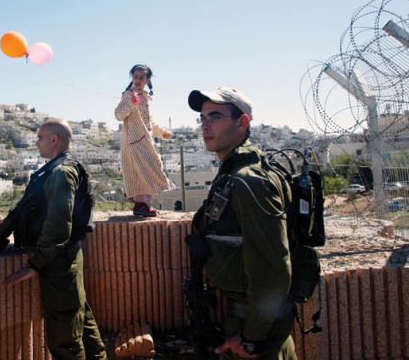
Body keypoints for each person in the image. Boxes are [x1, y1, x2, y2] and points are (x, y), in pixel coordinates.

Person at [187, 87, 296, 360]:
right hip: (249, 319)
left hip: (255, 326)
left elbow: (273, 270)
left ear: (242, 122)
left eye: (215, 116)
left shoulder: (249, 181)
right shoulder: (234, 172)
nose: (205, 125)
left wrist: (250, 340)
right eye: (202, 118)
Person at [2, 119, 107, 360]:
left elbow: (59, 225)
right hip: (65, 258)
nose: (36, 143)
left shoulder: (61, 172)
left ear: (53, 140)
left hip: (59, 263)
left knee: (65, 342)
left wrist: (35, 264)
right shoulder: (59, 168)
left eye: (40, 138)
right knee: (81, 320)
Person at [114, 64, 174, 217]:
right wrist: (130, 103)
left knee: (149, 169)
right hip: (134, 141)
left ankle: (144, 207)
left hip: (145, 140)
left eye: (142, 77)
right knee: (139, 172)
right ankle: (141, 207)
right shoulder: (128, 95)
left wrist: (162, 133)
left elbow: (149, 121)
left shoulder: (146, 97)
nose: (138, 80)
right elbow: (118, 115)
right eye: (135, 77)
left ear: (147, 80)